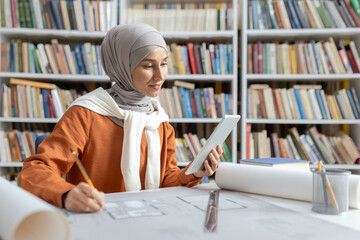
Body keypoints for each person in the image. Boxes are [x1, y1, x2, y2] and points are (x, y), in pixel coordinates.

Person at [18, 24, 223, 213]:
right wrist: (66, 194)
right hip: (97, 218)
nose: (160, 76)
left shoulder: (159, 119)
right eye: (148, 66)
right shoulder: (86, 113)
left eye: (164, 64)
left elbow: (165, 181)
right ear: (122, 66)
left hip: (149, 218)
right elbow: (34, 171)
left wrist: (194, 172)